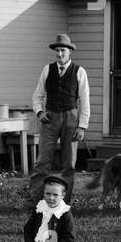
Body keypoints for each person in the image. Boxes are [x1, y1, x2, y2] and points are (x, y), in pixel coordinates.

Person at [29, 33, 90, 203]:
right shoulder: (47, 70)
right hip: (50, 118)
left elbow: (85, 100)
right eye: (57, 51)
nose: (60, 54)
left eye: (63, 51)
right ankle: (35, 201)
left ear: (70, 51)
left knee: (68, 164)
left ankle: (64, 203)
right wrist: (40, 112)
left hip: (71, 118)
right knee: (42, 161)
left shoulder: (79, 72)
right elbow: (38, 95)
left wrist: (82, 126)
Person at [8, 174, 79, 242]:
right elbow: (28, 229)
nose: (51, 198)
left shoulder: (64, 213)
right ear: (43, 193)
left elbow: (70, 238)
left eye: (55, 195)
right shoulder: (40, 208)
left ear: (62, 195)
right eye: (48, 193)